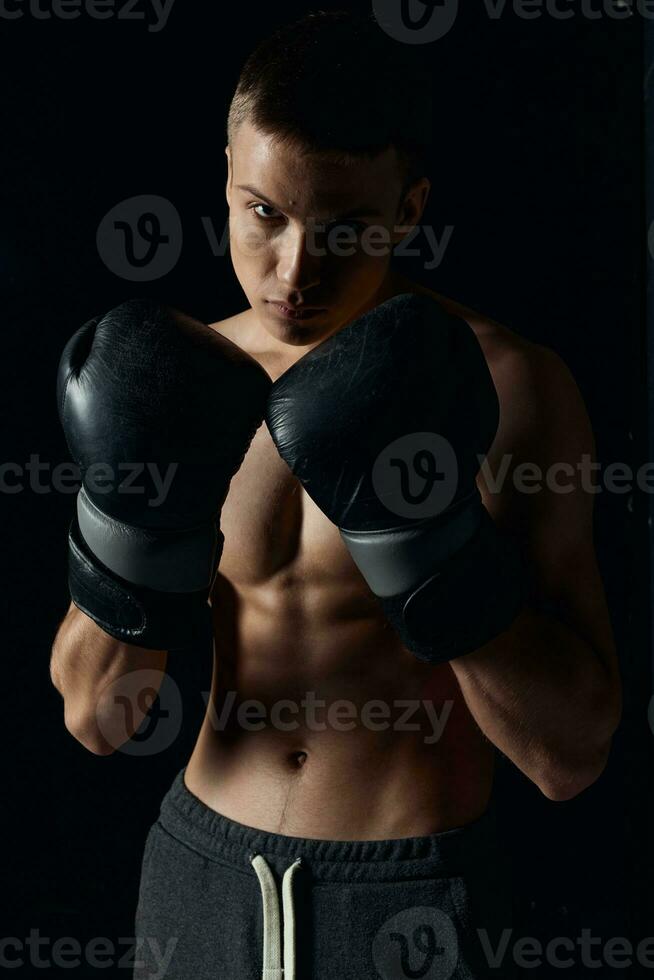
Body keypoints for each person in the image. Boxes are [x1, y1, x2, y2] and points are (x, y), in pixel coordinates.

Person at [50, 11, 622, 979]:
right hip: (200, 872)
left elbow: (570, 755)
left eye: (346, 226)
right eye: (264, 212)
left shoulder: (507, 388)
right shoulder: (170, 384)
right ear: (226, 174)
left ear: (410, 208)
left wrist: (433, 548)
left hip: (408, 899)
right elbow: (97, 716)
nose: (295, 271)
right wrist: (127, 525)